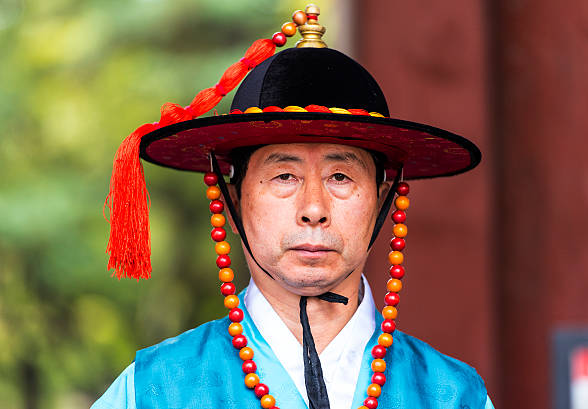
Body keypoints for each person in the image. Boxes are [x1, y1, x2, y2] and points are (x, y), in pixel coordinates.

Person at [93, 5, 494, 409]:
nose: (314, 209)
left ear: (381, 202)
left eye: (341, 177)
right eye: (284, 176)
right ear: (233, 204)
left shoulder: (453, 395)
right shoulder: (154, 390)